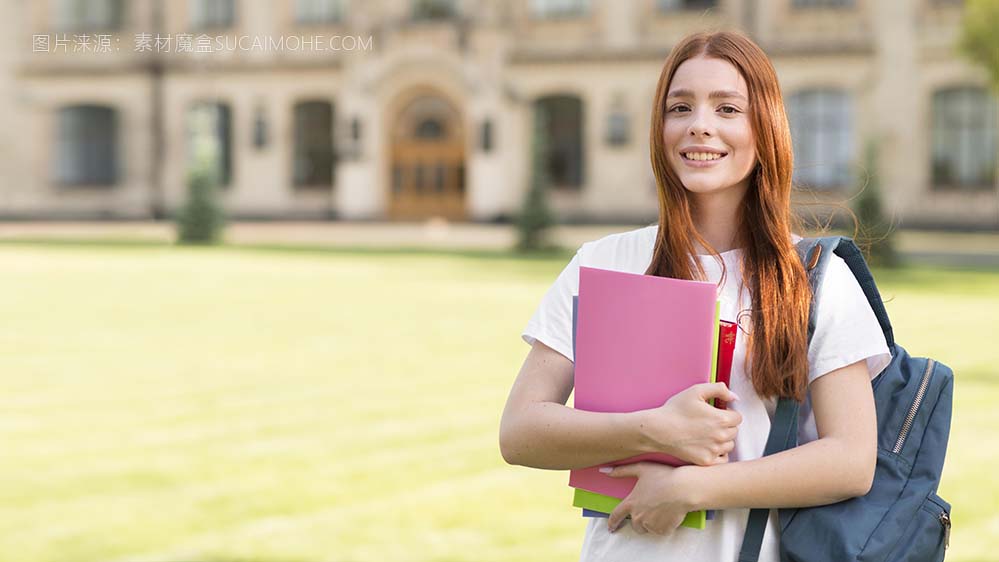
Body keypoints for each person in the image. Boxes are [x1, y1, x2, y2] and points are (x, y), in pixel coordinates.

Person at [498, 30, 892, 562]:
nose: (699, 124)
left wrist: (692, 488)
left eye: (727, 108)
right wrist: (655, 430)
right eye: (679, 107)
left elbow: (850, 459)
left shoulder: (816, 276)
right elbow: (520, 431)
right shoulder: (603, 262)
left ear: (765, 128)